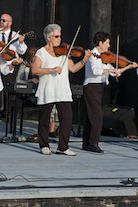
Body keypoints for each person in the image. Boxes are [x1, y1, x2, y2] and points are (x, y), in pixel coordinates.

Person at [32, 23, 92, 156]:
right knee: (44, 119)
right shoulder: (41, 52)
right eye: (56, 36)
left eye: (60, 36)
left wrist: (84, 60)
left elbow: (73, 69)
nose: (60, 39)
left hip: (63, 90)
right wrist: (51, 69)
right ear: (48, 37)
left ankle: (63, 147)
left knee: (67, 118)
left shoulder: (65, 52)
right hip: (47, 89)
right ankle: (44, 145)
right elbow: (34, 70)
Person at [82, 31, 138, 154]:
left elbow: (114, 71)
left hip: (99, 87)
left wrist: (128, 67)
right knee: (97, 116)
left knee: (91, 116)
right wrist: (108, 69)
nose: (109, 45)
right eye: (107, 43)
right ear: (100, 43)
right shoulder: (93, 55)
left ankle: (87, 143)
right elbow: (96, 71)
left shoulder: (105, 56)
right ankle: (93, 144)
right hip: (92, 86)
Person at [16, 47, 59, 137]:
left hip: (42, 90)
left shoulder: (43, 65)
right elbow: (18, 80)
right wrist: (30, 80)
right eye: (33, 60)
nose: (35, 62)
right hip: (30, 93)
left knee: (52, 101)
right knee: (44, 102)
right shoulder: (25, 65)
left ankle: (51, 130)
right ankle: (43, 128)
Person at [0, 13, 27, 114]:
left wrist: (20, 42)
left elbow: (22, 51)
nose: (1, 22)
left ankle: (8, 113)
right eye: (0, 20)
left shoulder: (16, 35)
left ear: (10, 23)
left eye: (4, 20)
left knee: (9, 91)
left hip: (9, 66)